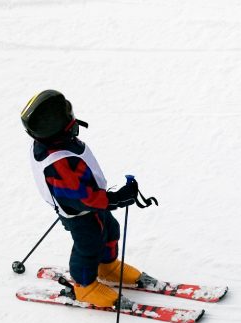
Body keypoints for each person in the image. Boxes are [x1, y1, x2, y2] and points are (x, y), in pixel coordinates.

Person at [23, 90, 159, 308]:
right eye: (68, 115)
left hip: (92, 206)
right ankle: (84, 287)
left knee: (110, 230)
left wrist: (110, 199)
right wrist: (116, 198)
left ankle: (107, 267)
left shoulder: (57, 143)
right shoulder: (59, 163)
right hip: (79, 213)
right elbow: (83, 199)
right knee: (89, 244)